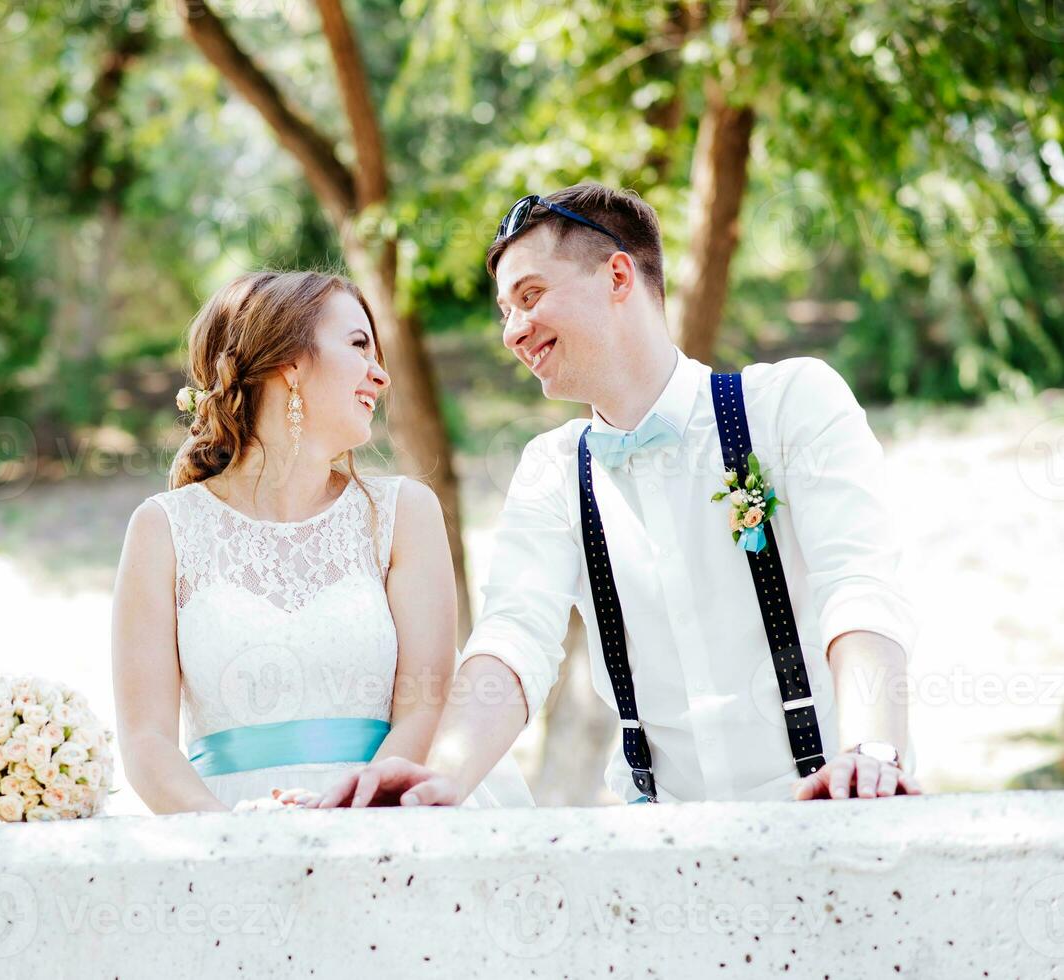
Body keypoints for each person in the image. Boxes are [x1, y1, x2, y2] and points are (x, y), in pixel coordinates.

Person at [317, 183, 920, 809]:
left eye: (531, 296)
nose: (512, 333)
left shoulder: (792, 403)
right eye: (504, 312)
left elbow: (858, 583)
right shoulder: (551, 468)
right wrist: (445, 774)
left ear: (618, 275)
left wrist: (871, 751)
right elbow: (515, 636)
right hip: (656, 845)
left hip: (825, 809)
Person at [111, 269, 531, 812]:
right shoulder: (162, 529)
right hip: (222, 829)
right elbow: (146, 743)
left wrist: (351, 818)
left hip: (382, 820)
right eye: (359, 346)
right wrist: (231, 839)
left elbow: (424, 708)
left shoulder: (403, 514)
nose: (380, 376)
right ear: (289, 362)